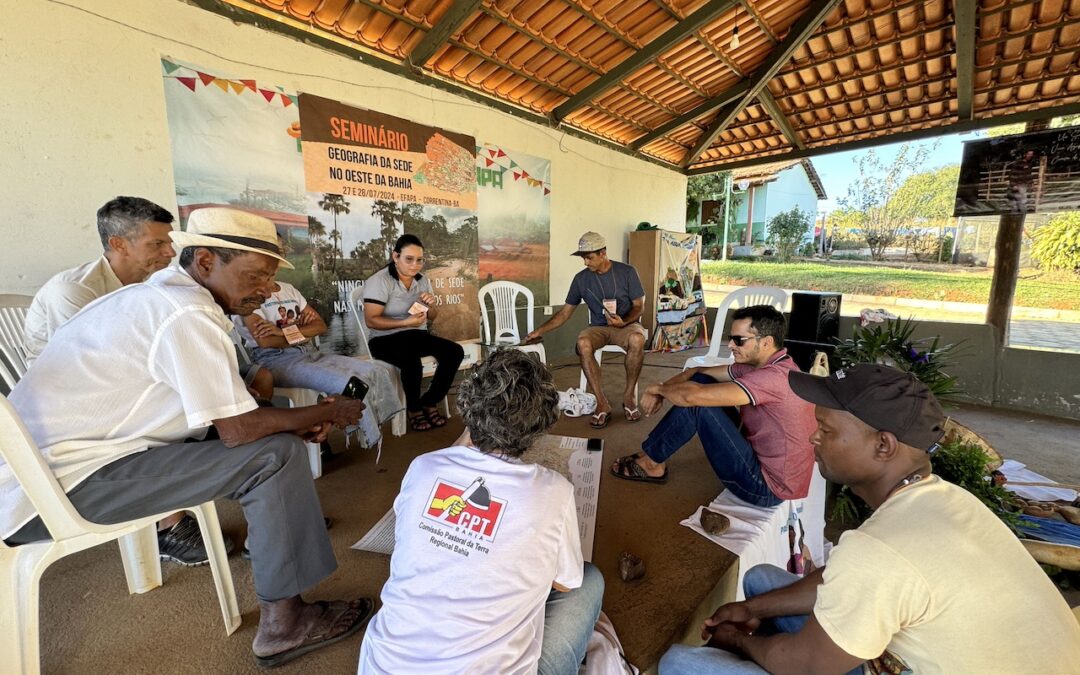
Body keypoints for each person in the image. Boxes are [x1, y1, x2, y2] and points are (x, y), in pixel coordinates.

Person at [2, 208, 374, 667]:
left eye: (271, 277)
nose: (268, 289)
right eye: (256, 275)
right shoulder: (185, 315)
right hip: (50, 490)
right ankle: (285, 624)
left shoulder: (159, 298)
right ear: (203, 263)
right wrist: (328, 410)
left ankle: (276, 548)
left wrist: (300, 419)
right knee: (273, 454)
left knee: (276, 429)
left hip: (65, 465)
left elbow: (226, 410)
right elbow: (238, 431)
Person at [660, 364, 1080, 674]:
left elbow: (804, 664)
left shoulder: (880, 551)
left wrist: (735, 640)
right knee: (761, 582)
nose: (812, 437)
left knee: (681, 663)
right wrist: (750, 608)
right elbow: (839, 578)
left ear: (883, 446)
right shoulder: (948, 498)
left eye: (826, 429)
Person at [22, 196, 271, 564]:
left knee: (256, 389)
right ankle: (169, 524)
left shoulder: (158, 286)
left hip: (146, 383)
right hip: (91, 415)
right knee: (245, 427)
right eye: (157, 243)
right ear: (118, 244)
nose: (170, 252)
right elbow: (103, 377)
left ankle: (268, 521)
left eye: (170, 241)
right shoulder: (74, 291)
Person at [357, 349, 604, 674]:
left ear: (468, 404)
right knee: (589, 580)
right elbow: (565, 583)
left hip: (383, 666)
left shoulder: (423, 467)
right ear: (540, 426)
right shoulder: (554, 491)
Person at [609, 305, 816, 507]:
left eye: (739, 340)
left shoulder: (772, 378)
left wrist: (658, 390)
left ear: (766, 343)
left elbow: (693, 397)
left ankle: (651, 463)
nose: (731, 345)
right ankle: (653, 455)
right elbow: (698, 371)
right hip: (760, 456)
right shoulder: (768, 364)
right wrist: (663, 387)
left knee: (697, 403)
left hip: (766, 488)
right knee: (701, 381)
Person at [236, 279, 401, 448]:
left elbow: (320, 326)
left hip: (309, 352)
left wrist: (280, 332)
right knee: (345, 382)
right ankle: (365, 433)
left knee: (374, 371)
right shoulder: (246, 297)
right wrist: (303, 332)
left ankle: (367, 428)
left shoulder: (288, 288)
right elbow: (266, 341)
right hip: (275, 359)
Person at [525, 231, 647, 429]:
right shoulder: (581, 279)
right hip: (598, 327)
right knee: (583, 343)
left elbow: (639, 306)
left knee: (637, 340)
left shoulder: (627, 272)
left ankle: (629, 395)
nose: (585, 263)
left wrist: (623, 321)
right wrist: (539, 331)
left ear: (603, 253)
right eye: (583, 258)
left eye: (589, 257)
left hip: (626, 325)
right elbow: (565, 313)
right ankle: (601, 402)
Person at [362, 234, 464, 432]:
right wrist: (406, 321)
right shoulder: (380, 280)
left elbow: (432, 316)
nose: (415, 265)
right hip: (383, 339)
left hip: (416, 335)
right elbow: (371, 320)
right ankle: (414, 409)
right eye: (409, 259)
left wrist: (431, 305)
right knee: (411, 363)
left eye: (419, 260)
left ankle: (429, 401)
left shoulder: (422, 280)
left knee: (455, 352)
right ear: (396, 256)